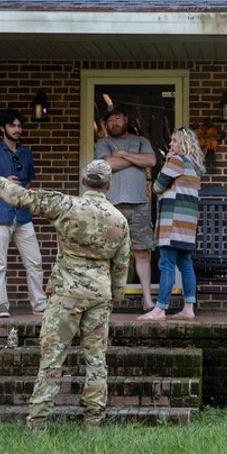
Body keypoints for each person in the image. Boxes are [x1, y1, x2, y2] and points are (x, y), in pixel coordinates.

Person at [0, 156, 130, 433]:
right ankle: (93, 423)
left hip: (66, 293)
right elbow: (122, 265)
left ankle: (39, 423)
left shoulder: (67, 205)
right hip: (99, 295)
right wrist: (116, 296)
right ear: (109, 185)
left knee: (52, 358)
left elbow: (23, 197)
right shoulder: (119, 220)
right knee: (96, 359)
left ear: (84, 182)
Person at [0, 109, 46, 318]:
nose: (17, 129)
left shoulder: (26, 153)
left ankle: (39, 304)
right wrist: (2, 182)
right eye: (12, 125)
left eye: (19, 126)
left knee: (35, 261)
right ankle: (1, 305)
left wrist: (18, 190)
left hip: (22, 214)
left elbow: (28, 180)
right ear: (2, 128)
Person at [93, 108, 158, 310]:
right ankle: (108, 300)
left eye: (117, 118)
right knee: (109, 253)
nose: (114, 123)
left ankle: (147, 299)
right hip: (112, 205)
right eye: (110, 120)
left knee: (142, 251)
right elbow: (108, 164)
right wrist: (134, 159)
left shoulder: (141, 140)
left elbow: (152, 161)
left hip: (140, 204)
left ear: (125, 119)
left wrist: (123, 155)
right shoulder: (103, 143)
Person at [138, 127, 205, 321]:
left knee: (166, 263)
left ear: (182, 143)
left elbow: (158, 186)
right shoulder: (195, 165)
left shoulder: (176, 161)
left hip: (173, 222)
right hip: (188, 224)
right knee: (185, 263)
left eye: (174, 141)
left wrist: (167, 160)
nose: (170, 144)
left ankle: (160, 309)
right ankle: (188, 308)